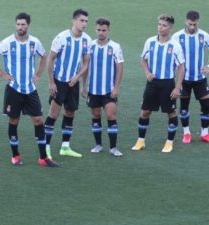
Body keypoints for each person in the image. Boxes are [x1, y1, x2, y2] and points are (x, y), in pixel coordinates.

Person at [0, 13, 55, 167]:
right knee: (14, 121)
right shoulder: (7, 42)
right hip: (14, 89)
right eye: (18, 24)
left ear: (28, 25)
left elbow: (44, 56)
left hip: (30, 89)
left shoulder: (35, 42)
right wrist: (2, 74)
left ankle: (43, 158)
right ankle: (15, 155)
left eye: (23, 24)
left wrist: (38, 74)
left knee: (38, 120)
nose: (20, 27)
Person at [132, 14, 185, 153]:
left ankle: (169, 142)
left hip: (168, 84)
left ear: (170, 28)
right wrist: (147, 73)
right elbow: (143, 59)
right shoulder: (150, 42)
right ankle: (140, 141)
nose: (160, 27)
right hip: (152, 83)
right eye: (159, 24)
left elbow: (181, 67)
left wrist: (178, 87)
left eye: (164, 25)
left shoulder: (175, 46)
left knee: (171, 112)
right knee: (145, 111)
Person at [44, 9, 92, 159]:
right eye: (82, 21)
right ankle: (45, 147)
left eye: (86, 21)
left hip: (73, 83)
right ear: (74, 21)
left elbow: (86, 62)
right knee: (54, 113)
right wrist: (51, 82)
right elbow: (50, 59)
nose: (84, 24)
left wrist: (78, 77)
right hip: (59, 81)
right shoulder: (62, 38)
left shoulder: (87, 40)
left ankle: (65, 146)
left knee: (70, 112)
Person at [83, 18, 125, 157]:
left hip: (108, 90)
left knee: (110, 115)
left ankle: (113, 147)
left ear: (108, 30)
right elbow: (85, 67)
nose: (101, 32)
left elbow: (119, 69)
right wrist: (84, 86)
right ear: (95, 30)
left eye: (104, 30)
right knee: (95, 115)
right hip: (93, 90)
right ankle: (98, 145)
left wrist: (116, 88)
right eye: (99, 30)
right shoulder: (90, 46)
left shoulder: (115, 47)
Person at [172, 10, 209, 144]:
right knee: (184, 106)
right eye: (190, 24)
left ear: (198, 22)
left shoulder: (204, 35)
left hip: (200, 78)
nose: (192, 27)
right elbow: (171, 55)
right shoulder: (177, 36)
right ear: (185, 21)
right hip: (184, 79)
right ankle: (186, 133)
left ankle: (205, 133)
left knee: (206, 106)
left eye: (194, 24)